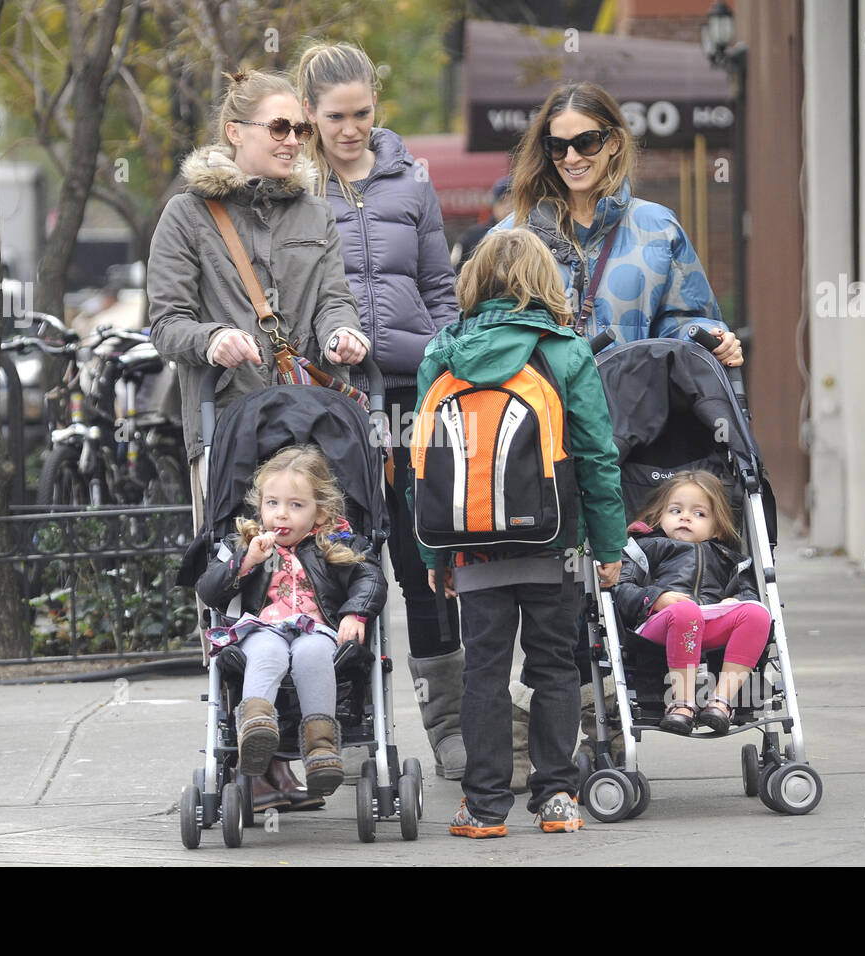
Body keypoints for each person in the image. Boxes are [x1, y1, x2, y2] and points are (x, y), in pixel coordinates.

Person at [148, 68, 366, 811]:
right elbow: (165, 322)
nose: (295, 140)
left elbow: (335, 297)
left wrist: (341, 333)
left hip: (309, 427)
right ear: (234, 132)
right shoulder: (188, 214)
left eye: (300, 128)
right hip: (228, 433)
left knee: (321, 574)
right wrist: (211, 339)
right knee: (241, 582)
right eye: (280, 127)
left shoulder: (314, 210)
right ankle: (251, 754)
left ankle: (316, 729)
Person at [414, 228, 626, 837]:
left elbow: (422, 465)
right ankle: (556, 796)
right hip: (553, 542)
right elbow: (597, 456)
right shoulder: (565, 351)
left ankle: (483, 807)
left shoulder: (443, 352)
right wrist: (608, 545)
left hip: (472, 544)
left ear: (475, 281)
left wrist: (434, 553)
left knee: (483, 669)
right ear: (544, 283)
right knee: (554, 664)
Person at [295, 42, 467, 780]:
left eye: (361, 113)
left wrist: (446, 357)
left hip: (414, 393)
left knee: (427, 555)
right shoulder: (296, 188)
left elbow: (439, 287)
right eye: (335, 117)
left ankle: (451, 729)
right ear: (310, 114)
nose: (350, 129)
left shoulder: (411, 181)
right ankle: (345, 723)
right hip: (334, 402)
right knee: (343, 560)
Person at [493, 81, 741, 365]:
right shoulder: (509, 237)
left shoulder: (659, 228)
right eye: (557, 146)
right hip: (545, 393)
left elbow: (685, 320)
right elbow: (484, 331)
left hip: (635, 391)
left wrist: (712, 338)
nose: (571, 158)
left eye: (586, 142)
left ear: (614, 143)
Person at [195, 446, 387, 795]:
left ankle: (321, 746)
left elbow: (369, 577)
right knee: (266, 651)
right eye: (272, 503)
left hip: (316, 629)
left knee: (313, 653)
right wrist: (246, 561)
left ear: (320, 512)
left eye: (295, 505)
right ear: (260, 505)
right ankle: (256, 727)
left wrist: (356, 612)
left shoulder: (336, 543)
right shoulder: (244, 543)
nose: (281, 514)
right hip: (263, 628)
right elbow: (208, 589)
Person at [613, 471, 771, 735]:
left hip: (708, 623)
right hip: (659, 625)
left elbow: (749, 592)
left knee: (757, 613)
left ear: (717, 527)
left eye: (699, 514)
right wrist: (656, 598)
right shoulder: (646, 548)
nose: (685, 517)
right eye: (676, 510)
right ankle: (682, 702)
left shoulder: (728, 558)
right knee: (686, 612)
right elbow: (621, 589)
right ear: (659, 516)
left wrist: (738, 600)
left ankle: (721, 701)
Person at [451, 174, 513, 268]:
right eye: (503, 201)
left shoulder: (529, 234)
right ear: (493, 205)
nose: (509, 207)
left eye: (514, 201)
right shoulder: (473, 237)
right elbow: (457, 269)